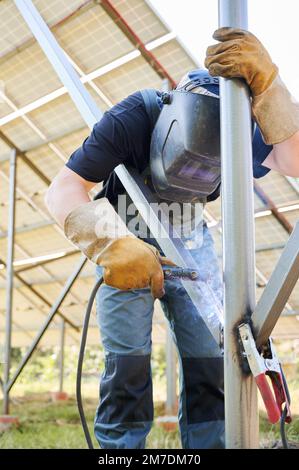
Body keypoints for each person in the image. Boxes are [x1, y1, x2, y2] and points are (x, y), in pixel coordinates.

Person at [45, 29, 299, 449]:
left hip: (190, 237)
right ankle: (120, 452)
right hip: (123, 235)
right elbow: (63, 189)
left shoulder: (236, 126)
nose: (199, 172)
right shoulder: (135, 117)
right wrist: (111, 245)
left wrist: (270, 89)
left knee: (211, 359)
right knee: (127, 363)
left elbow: (293, 159)